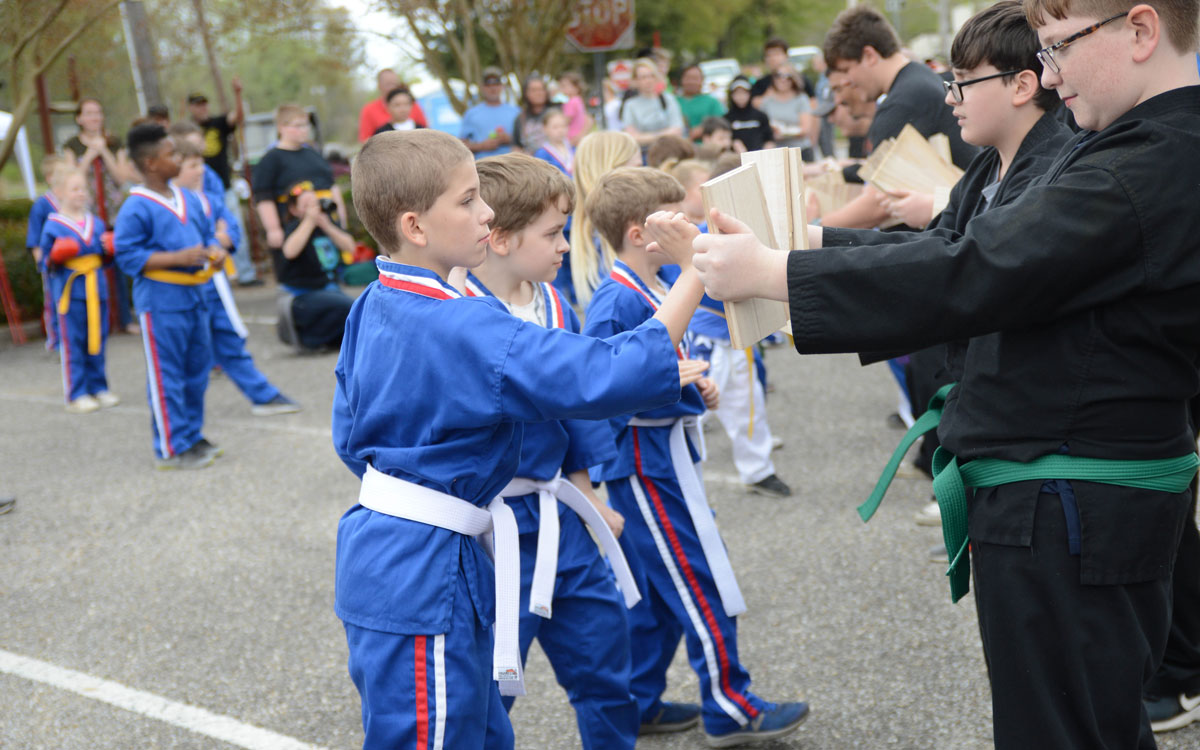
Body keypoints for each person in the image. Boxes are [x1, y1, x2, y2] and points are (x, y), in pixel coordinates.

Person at [691, 2, 1200, 746]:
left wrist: (777, 272)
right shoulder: (1132, 147)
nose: (1048, 72)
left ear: (1142, 30)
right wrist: (795, 258)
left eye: (1059, 47)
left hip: (1071, 502)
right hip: (1069, 494)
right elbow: (963, 251)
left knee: (1063, 730)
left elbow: (979, 268)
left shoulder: (1141, 163)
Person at [331, 128, 710, 749]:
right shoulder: (460, 322)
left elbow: (349, 437)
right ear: (415, 226)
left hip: (398, 547)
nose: (486, 213)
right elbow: (603, 375)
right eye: (468, 200)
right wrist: (694, 272)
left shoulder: (373, 303)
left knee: (477, 731)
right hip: (423, 562)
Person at [580, 167, 808, 746]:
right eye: (674, 216)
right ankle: (730, 705)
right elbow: (603, 391)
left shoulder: (655, 283)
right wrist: (669, 386)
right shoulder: (615, 299)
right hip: (643, 464)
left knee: (659, 595)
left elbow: (653, 369)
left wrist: (687, 386)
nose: (688, 224)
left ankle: (640, 701)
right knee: (699, 579)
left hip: (662, 455)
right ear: (639, 234)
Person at [469, 152, 646, 749]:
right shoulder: (459, 314)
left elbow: (579, 412)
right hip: (492, 530)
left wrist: (591, 499)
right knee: (491, 686)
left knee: (604, 663)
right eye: (552, 234)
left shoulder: (554, 304)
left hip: (562, 514)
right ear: (499, 238)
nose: (566, 246)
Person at [665, 159, 793, 498]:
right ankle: (674, 473)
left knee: (748, 404)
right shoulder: (694, 235)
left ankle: (758, 471)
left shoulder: (743, 229)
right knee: (696, 406)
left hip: (738, 335)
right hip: (706, 337)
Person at [113, 123, 224, 470]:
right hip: (161, 303)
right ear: (150, 163)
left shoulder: (187, 198)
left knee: (197, 371)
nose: (177, 159)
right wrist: (176, 258)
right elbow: (126, 255)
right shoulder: (135, 206)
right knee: (167, 376)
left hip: (196, 298)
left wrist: (215, 251)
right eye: (170, 154)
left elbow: (208, 235)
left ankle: (192, 434)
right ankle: (171, 447)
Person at [172, 138, 300, 417]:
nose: (201, 171)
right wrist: (212, 238)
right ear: (174, 168)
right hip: (184, 290)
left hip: (213, 284)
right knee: (186, 354)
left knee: (228, 338)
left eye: (201, 163)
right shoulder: (170, 205)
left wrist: (218, 239)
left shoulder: (209, 200)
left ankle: (262, 395)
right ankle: (179, 418)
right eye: (192, 165)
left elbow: (231, 232)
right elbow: (191, 242)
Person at [820, 5, 978, 229]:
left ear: (869, 55)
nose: (846, 81)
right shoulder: (918, 79)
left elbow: (879, 201)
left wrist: (814, 228)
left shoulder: (901, 103)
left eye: (846, 70)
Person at [39, 166, 117, 413]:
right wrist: (55, 256)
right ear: (59, 191)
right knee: (74, 342)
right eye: (75, 189)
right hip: (70, 294)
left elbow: (105, 260)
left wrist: (109, 251)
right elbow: (45, 264)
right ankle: (77, 392)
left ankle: (99, 387)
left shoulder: (97, 223)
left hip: (96, 290)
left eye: (83, 188)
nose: (81, 193)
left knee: (98, 339)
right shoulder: (54, 225)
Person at [63, 97, 137, 334]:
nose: (94, 117)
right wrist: (89, 154)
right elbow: (72, 178)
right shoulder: (72, 145)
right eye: (88, 113)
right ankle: (99, 322)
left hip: (113, 213)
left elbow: (121, 178)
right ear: (79, 118)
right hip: (87, 216)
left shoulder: (114, 142)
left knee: (119, 267)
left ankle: (125, 318)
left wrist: (103, 150)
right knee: (94, 266)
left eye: (97, 112)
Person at [187, 81, 258, 287]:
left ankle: (245, 274)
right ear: (191, 107)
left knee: (234, 230)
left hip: (224, 188)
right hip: (196, 192)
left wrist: (237, 94)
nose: (202, 108)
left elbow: (238, 118)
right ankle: (213, 276)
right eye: (197, 105)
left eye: (204, 104)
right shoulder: (187, 130)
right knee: (205, 235)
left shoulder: (218, 123)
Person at [252, 105, 346, 259]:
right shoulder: (271, 159)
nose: (304, 130)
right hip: (294, 228)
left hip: (326, 225)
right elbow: (263, 196)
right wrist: (273, 228)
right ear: (281, 127)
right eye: (298, 126)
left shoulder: (313, 154)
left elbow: (331, 185)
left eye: (306, 125)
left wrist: (341, 218)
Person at [277, 184, 356, 351]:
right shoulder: (295, 227)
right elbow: (289, 251)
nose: (314, 209)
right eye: (306, 205)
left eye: (315, 203)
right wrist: (309, 222)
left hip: (329, 290)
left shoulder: (326, 224)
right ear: (294, 210)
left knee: (355, 311)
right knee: (348, 307)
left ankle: (329, 341)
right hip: (301, 296)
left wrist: (327, 226)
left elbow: (350, 247)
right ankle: (309, 340)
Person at [568, 131, 642, 305]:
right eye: (638, 168)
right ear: (614, 171)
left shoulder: (586, 232)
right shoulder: (612, 235)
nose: (645, 175)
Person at [28, 154, 71, 350]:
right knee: (54, 300)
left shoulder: (70, 202)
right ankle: (55, 339)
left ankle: (73, 337)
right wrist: (42, 264)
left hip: (72, 262)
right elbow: (35, 239)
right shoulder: (42, 205)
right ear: (49, 178)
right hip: (52, 263)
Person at [621, 59, 686, 149]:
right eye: (643, 77)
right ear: (635, 80)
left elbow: (677, 130)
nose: (648, 80)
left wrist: (646, 137)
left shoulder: (668, 99)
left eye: (651, 76)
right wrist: (665, 134)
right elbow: (632, 137)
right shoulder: (630, 105)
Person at [461, 67, 522, 159]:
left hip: (512, 165)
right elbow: (460, 145)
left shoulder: (516, 112)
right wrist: (482, 146)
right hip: (482, 166)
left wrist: (509, 139)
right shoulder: (471, 114)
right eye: (488, 84)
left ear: (502, 86)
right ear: (482, 87)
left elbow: (528, 141)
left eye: (496, 83)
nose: (492, 88)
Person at [758, 70, 818, 161]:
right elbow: (762, 125)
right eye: (778, 76)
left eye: (787, 77)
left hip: (799, 149)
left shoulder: (801, 99)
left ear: (793, 80)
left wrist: (784, 133)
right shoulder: (767, 101)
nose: (782, 80)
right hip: (776, 151)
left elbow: (806, 128)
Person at [357, 68, 428, 143]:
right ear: (379, 86)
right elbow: (365, 141)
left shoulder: (414, 105)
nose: (392, 87)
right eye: (388, 84)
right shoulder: (369, 110)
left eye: (395, 83)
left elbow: (426, 131)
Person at [750, 38, 814, 103]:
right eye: (769, 55)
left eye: (777, 54)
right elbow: (754, 104)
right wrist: (768, 95)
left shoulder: (800, 80)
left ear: (786, 56)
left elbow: (813, 102)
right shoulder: (761, 83)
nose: (773, 58)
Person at [675, 64, 724, 143]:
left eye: (695, 78)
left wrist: (704, 129)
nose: (691, 82)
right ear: (682, 79)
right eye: (688, 78)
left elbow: (721, 124)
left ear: (702, 81)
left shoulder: (712, 102)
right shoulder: (673, 102)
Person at [724, 77, 774, 153]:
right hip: (736, 157)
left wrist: (766, 152)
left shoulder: (761, 116)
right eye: (737, 93)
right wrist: (733, 144)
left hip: (760, 155)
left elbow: (769, 139)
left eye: (744, 93)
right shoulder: (726, 119)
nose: (741, 96)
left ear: (750, 94)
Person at [512, 75, 551, 155]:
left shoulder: (556, 112)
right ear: (526, 93)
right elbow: (516, 146)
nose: (538, 93)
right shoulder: (520, 118)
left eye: (541, 89)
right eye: (533, 90)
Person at [532, 109, 573, 175]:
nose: (560, 130)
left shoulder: (573, 147)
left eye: (563, 126)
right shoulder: (542, 154)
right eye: (555, 127)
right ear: (545, 128)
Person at [556, 71, 592, 145]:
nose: (562, 88)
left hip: (572, 138)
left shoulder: (571, 102)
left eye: (564, 86)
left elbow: (565, 121)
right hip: (579, 137)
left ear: (576, 87)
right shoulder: (578, 100)